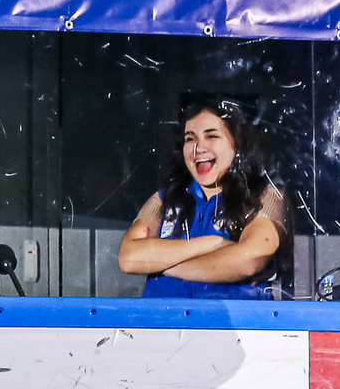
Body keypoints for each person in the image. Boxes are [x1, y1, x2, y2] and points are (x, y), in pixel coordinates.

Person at [117, 95, 293, 299]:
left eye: (212, 136)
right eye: (190, 138)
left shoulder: (267, 196)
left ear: (236, 144)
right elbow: (129, 258)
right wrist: (211, 243)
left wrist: (162, 265)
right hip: (162, 326)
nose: (198, 148)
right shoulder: (163, 200)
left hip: (230, 327)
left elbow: (249, 260)